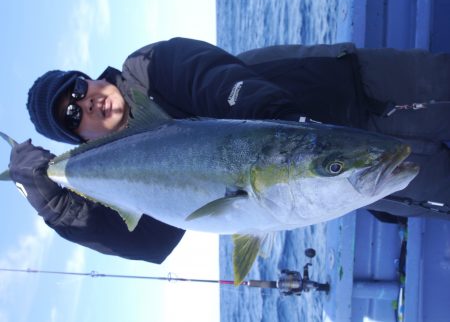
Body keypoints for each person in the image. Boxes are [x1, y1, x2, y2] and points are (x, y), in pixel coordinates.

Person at [8, 37, 450, 264]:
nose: (85, 102)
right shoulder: (113, 173)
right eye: (72, 116)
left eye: (79, 88)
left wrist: (285, 125)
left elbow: (214, 80)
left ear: (92, 79)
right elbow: (149, 243)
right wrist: (57, 208)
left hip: (359, 89)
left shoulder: (153, 67)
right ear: (80, 139)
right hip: (349, 174)